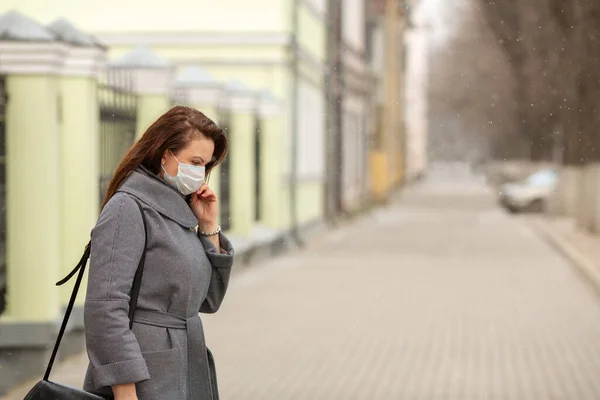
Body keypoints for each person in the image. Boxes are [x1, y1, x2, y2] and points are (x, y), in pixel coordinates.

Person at [82, 106, 234, 400]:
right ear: (165, 155)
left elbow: (209, 300)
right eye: (194, 161)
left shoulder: (177, 211)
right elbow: (105, 308)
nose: (200, 174)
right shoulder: (128, 207)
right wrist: (126, 393)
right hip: (143, 378)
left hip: (184, 366)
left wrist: (209, 227)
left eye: (205, 165)